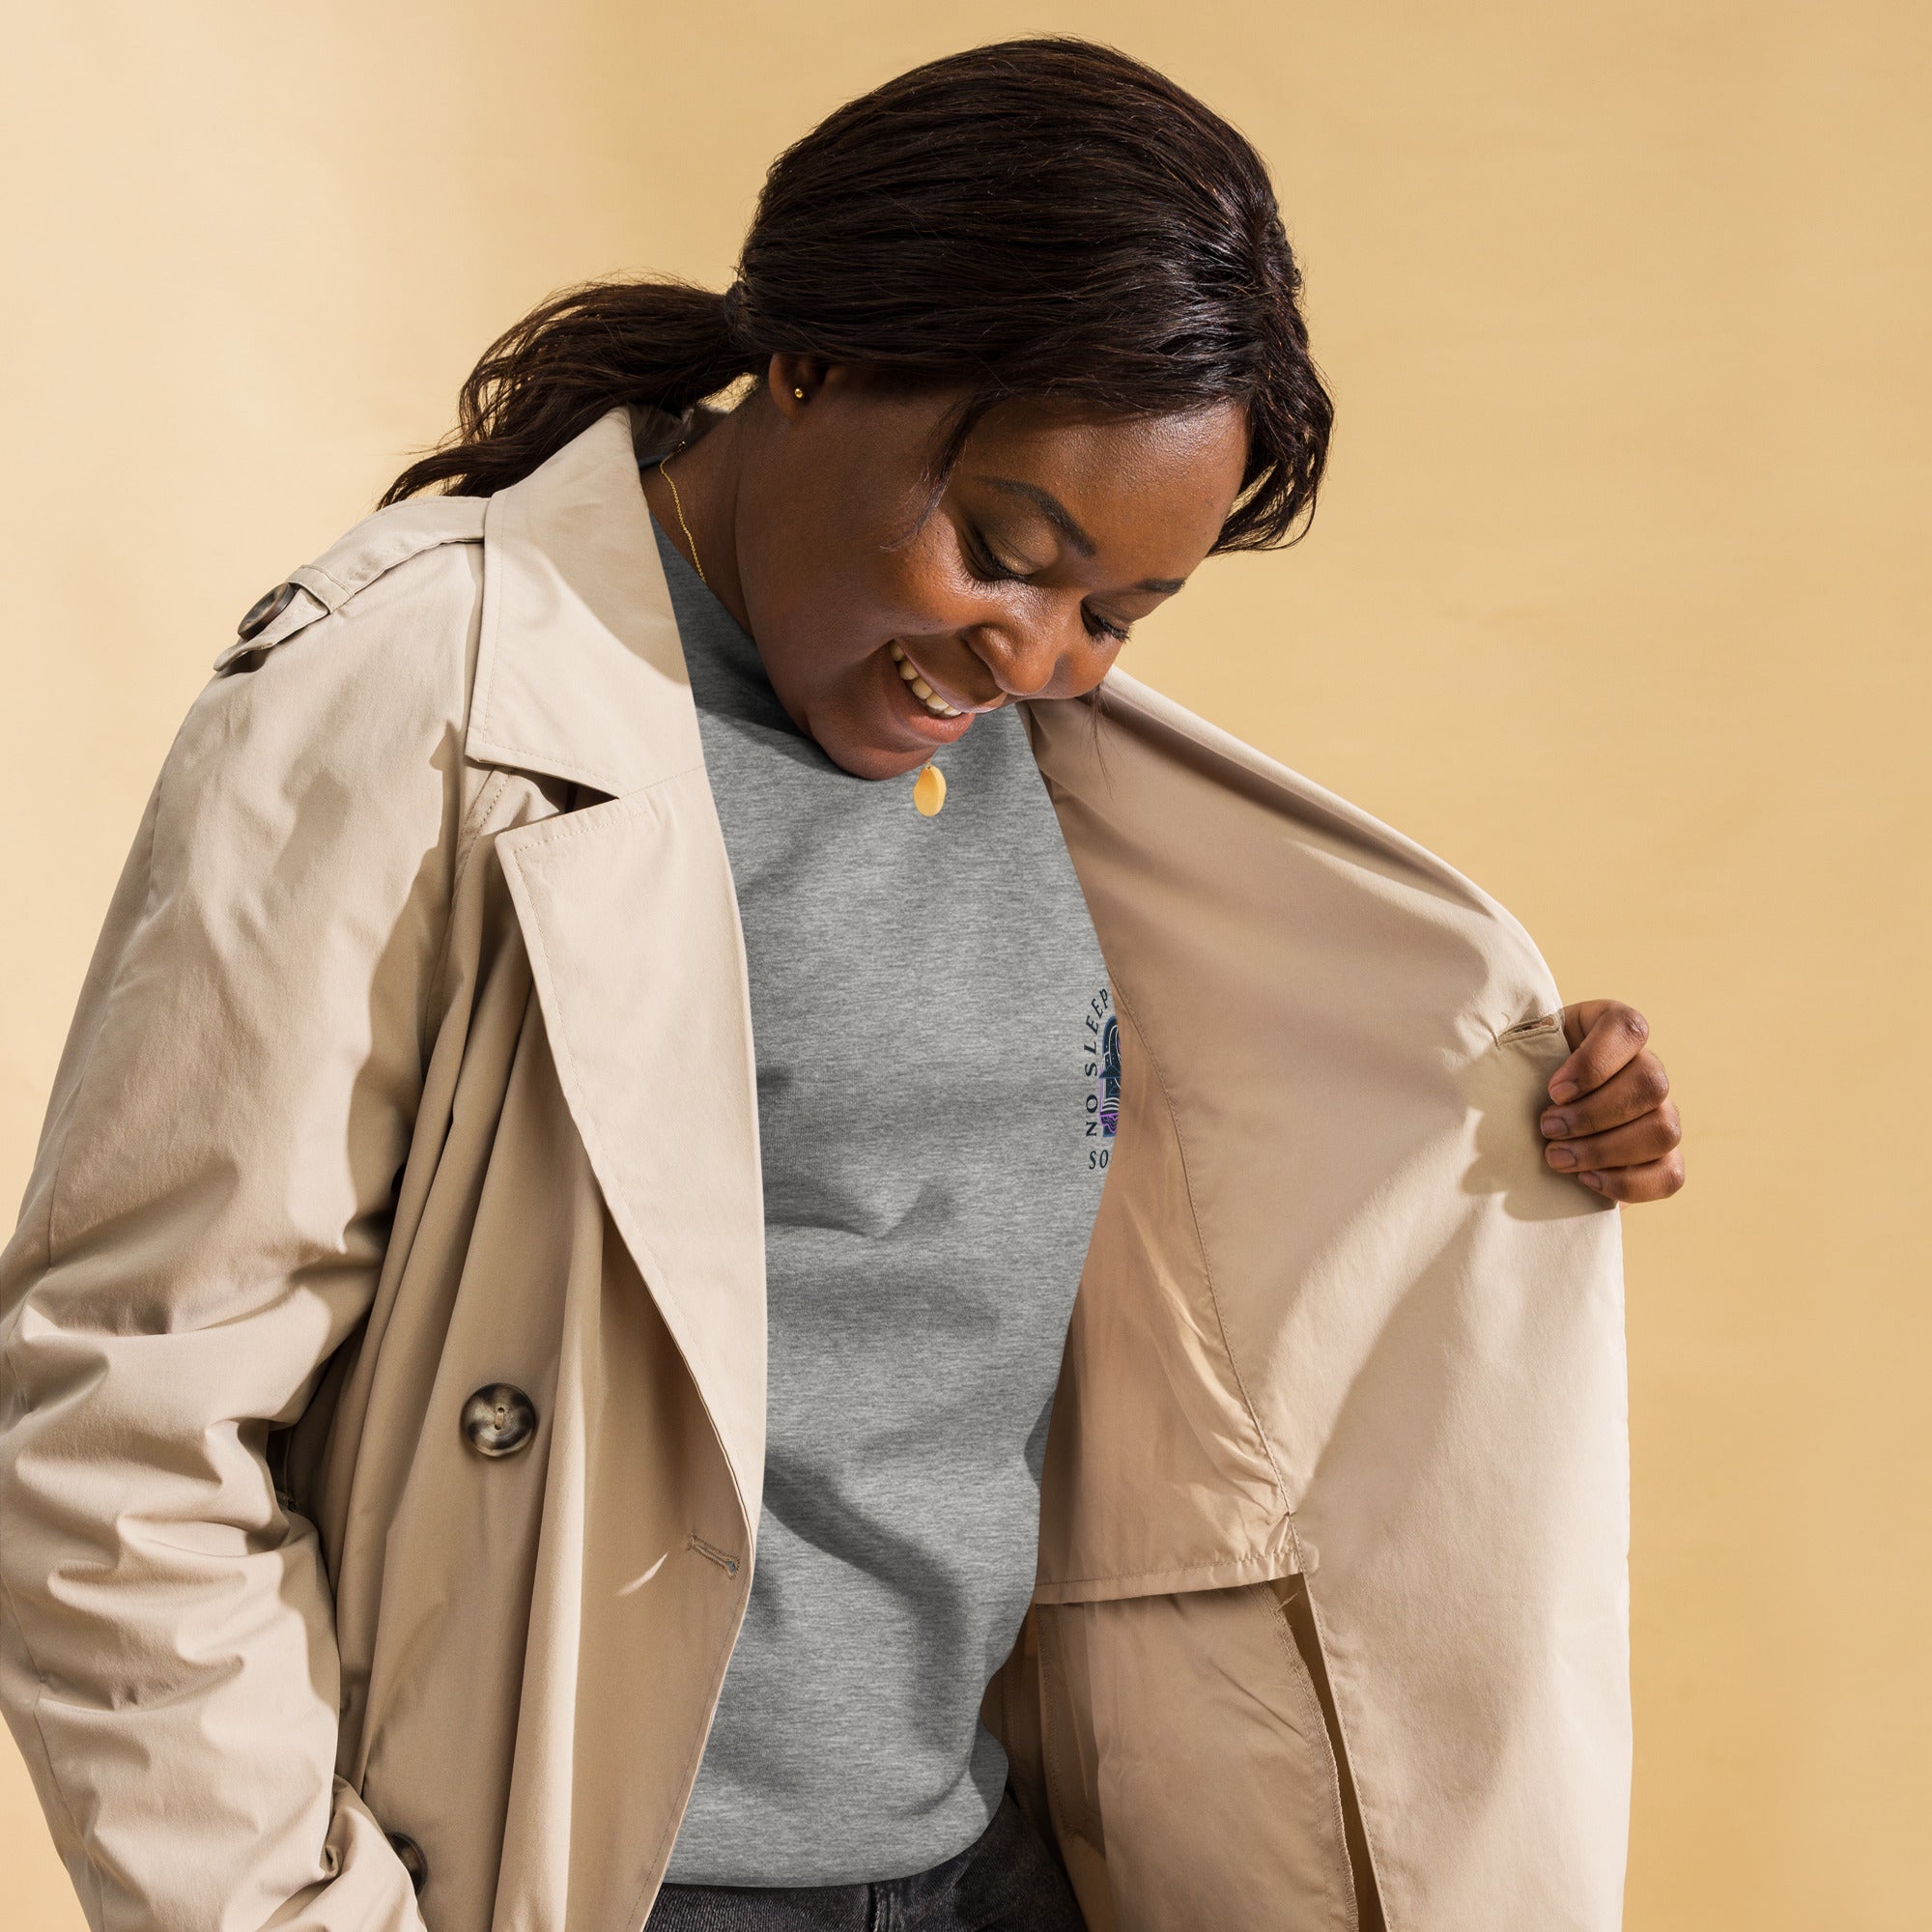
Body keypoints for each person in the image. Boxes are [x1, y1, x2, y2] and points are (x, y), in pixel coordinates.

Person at [0, 38, 1681, 1932]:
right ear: (813, 360)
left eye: (1118, 614)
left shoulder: (1040, 760)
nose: (1035, 654)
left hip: (988, 1858)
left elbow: (1181, 1235)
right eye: (1008, 550)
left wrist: (1496, 1111)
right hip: (608, 1881)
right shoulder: (417, 699)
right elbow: (121, 1425)